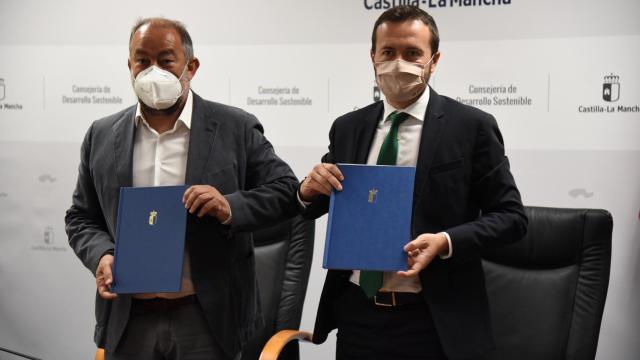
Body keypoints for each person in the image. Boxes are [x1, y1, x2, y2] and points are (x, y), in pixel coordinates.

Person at [298, 6, 528, 360]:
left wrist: (446, 241)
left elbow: (512, 217)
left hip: (432, 320)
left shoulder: (471, 127)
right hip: (358, 314)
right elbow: (317, 203)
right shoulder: (348, 127)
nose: (398, 63)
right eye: (388, 52)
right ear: (373, 57)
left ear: (433, 61)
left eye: (412, 53)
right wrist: (307, 190)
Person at [65, 18, 298, 360]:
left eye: (165, 60)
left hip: (206, 318)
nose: (152, 71)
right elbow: (80, 217)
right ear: (129, 65)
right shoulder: (101, 135)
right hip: (130, 318)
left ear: (191, 66)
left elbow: (286, 191)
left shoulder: (235, 127)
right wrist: (101, 254)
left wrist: (230, 206)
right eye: (142, 60)